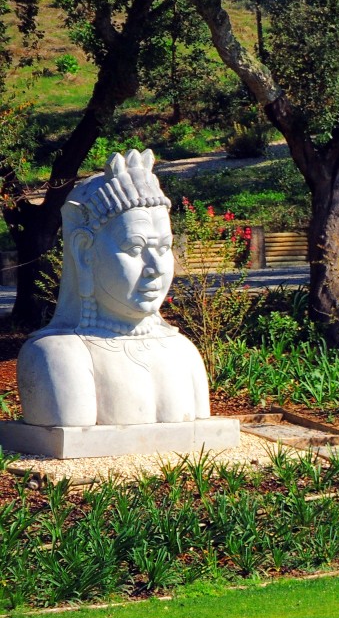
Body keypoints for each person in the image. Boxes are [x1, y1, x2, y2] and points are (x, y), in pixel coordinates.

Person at [17, 149, 211, 427]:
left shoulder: (184, 352)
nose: (155, 267)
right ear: (84, 252)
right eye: (135, 247)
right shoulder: (57, 357)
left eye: (164, 247)